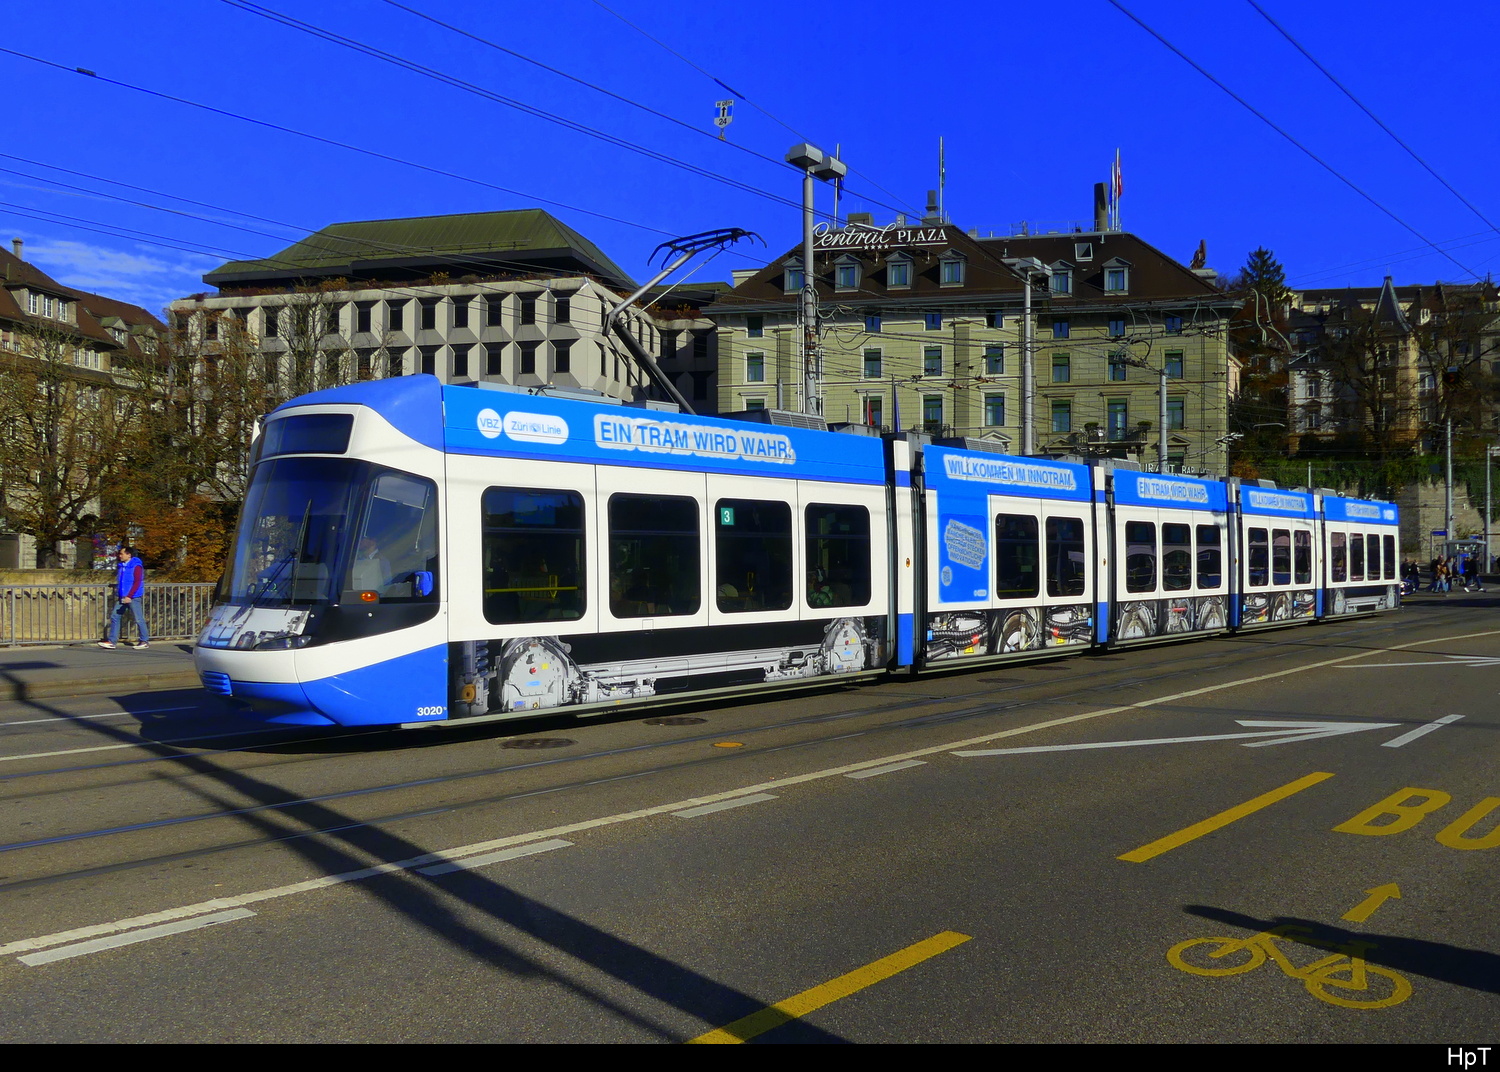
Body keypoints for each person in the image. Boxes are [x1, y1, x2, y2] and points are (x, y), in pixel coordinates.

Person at [99, 545, 149, 649]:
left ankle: (144, 641)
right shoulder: (122, 566)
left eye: (122, 554)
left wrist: (130, 596)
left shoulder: (136, 566)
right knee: (115, 616)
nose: (120, 556)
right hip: (122, 596)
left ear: (128, 555)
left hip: (133, 597)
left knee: (138, 618)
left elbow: (137, 582)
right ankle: (112, 641)